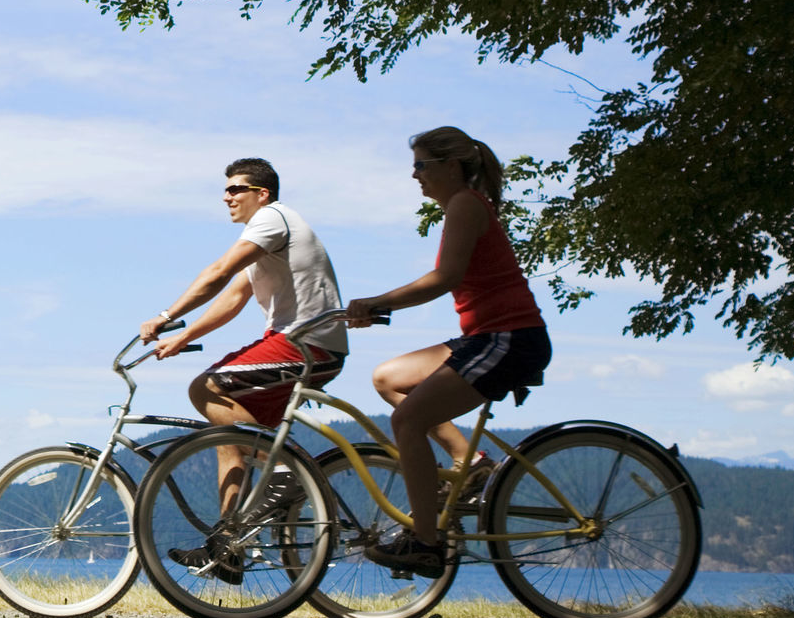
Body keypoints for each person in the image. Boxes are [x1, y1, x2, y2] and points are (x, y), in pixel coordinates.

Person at [344, 126, 551, 579]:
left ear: (451, 167)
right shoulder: (462, 206)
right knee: (389, 378)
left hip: (510, 339)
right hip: (486, 337)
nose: (414, 175)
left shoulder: (465, 204)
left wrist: (377, 301)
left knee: (407, 420)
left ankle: (425, 544)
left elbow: (445, 278)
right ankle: (471, 464)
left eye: (422, 165)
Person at [138, 158, 347, 582]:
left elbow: (217, 273)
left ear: (262, 194)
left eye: (236, 189)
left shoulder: (272, 220)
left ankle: (286, 471)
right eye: (226, 189)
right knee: (227, 435)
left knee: (206, 388)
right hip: (298, 344)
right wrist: (184, 335)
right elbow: (232, 299)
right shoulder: (263, 239)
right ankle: (228, 544)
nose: (226, 196)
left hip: (308, 344)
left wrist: (166, 314)